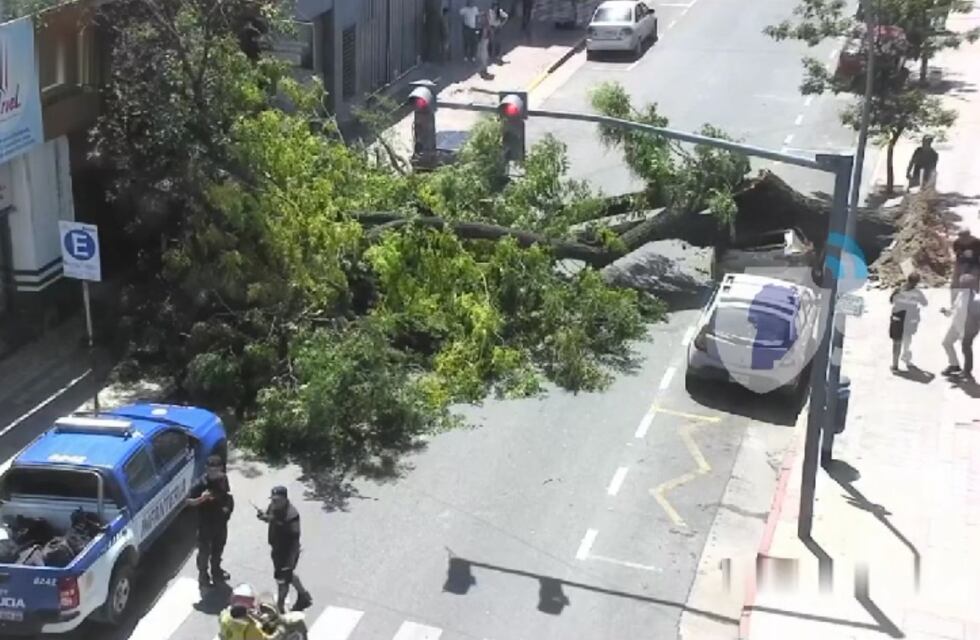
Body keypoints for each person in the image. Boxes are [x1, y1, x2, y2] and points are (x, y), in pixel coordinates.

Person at [256, 486, 312, 613]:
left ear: (285, 499)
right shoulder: (273, 506)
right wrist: (264, 517)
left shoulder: (291, 514)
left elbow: (294, 538)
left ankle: (280, 606)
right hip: (276, 548)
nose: (275, 502)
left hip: (287, 552)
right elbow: (270, 517)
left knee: (282, 580)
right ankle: (304, 596)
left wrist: (290, 561)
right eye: (273, 499)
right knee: (288, 575)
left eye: (278, 500)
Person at [187, 455, 234, 587]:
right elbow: (188, 502)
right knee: (204, 552)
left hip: (220, 522)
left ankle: (216, 570)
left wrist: (227, 509)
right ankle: (203, 575)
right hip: (205, 524)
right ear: (206, 469)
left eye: (217, 470)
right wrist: (202, 499)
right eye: (211, 470)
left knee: (218, 549)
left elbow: (226, 495)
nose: (214, 473)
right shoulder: (200, 484)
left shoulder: (223, 479)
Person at [888, 272, 927, 372]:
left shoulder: (898, 290)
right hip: (910, 318)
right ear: (917, 283)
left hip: (898, 317)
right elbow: (925, 303)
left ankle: (895, 365)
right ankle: (905, 355)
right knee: (907, 337)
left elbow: (891, 300)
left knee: (896, 341)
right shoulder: (918, 292)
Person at [942, 273, 978, 377]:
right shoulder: (961, 294)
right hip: (956, 325)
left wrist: (971, 329)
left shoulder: (975, 299)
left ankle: (967, 371)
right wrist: (946, 312)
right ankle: (954, 365)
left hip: (968, 329)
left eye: (963, 284)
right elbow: (954, 309)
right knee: (946, 343)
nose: (960, 285)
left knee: (966, 348)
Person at [951, 229, 980, 304]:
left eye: (965, 237)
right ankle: (954, 299)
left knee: (974, 277)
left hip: (974, 263)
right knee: (956, 279)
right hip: (961, 263)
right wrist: (962, 253)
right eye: (961, 237)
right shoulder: (957, 242)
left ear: (969, 235)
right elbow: (956, 252)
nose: (963, 239)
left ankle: (974, 291)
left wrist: (974, 254)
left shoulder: (976, 242)